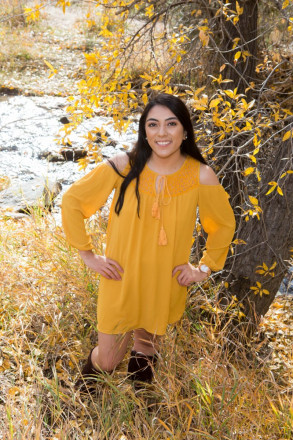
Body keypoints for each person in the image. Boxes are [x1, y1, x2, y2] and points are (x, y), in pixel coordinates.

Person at [61, 93, 236, 390]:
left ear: (184, 131)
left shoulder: (201, 175)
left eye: (171, 124)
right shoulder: (124, 166)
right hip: (120, 276)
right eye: (153, 124)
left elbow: (222, 224)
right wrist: (88, 255)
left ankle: (140, 414)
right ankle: (77, 401)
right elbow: (73, 201)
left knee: (146, 346)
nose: (162, 133)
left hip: (164, 279)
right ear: (144, 131)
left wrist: (204, 268)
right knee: (109, 358)